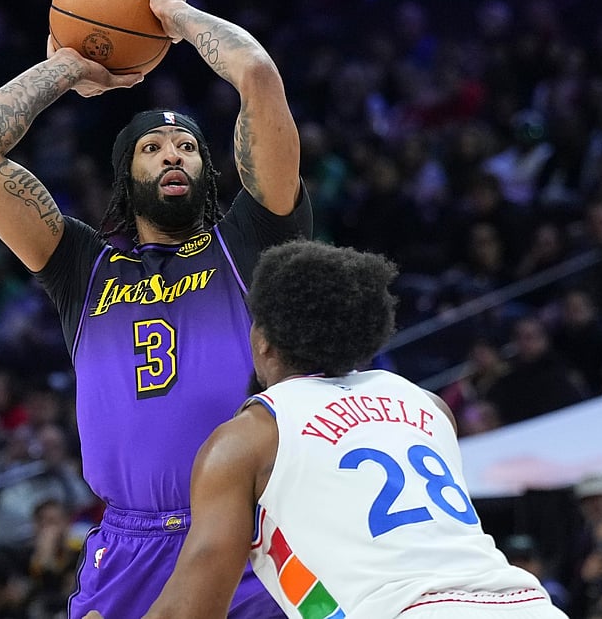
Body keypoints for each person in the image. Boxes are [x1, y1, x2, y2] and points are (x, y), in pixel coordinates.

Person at [0, 0, 311, 619]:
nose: (174, 153)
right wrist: (69, 66)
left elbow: (256, 75)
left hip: (250, 535)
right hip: (128, 543)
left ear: (207, 169)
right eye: (153, 147)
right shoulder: (83, 266)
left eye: (189, 146)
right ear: (126, 176)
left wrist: (175, 15)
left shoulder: (250, 244)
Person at [87, 240, 565, 618]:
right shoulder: (431, 407)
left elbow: (193, 611)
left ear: (262, 342)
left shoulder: (248, 437)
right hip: (526, 603)